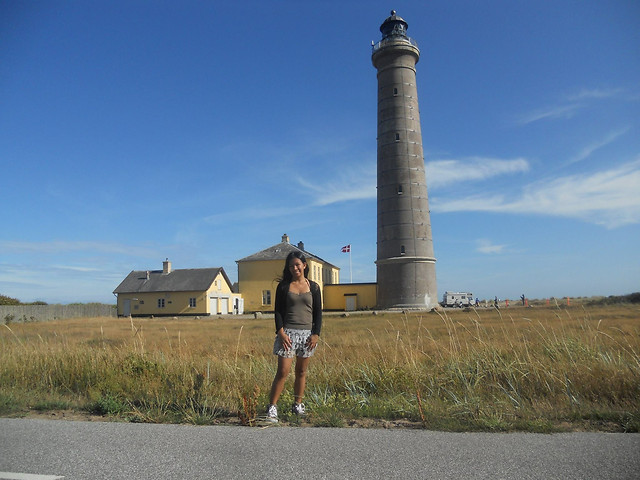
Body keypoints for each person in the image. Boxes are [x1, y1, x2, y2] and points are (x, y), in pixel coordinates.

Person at [265, 251, 322, 423]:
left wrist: (316, 334)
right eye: (291, 266)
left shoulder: (314, 287)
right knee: (283, 371)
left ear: (304, 265)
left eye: (297, 264)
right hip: (287, 335)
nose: (294, 268)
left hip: (307, 336)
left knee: (301, 372)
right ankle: (272, 408)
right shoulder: (283, 287)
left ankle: (298, 404)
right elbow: (278, 311)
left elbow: (318, 313)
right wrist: (280, 332)